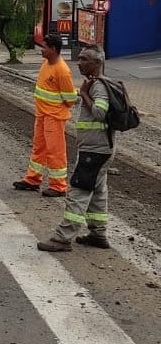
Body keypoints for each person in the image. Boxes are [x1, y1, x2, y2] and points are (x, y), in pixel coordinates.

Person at [37, 44, 113, 253]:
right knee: (98, 192)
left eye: (84, 59)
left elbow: (99, 112)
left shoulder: (98, 86)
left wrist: (84, 94)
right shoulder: (96, 83)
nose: (79, 62)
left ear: (97, 63)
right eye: (79, 58)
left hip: (95, 151)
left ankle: (62, 238)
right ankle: (98, 234)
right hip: (97, 149)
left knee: (79, 191)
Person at [12, 33, 78, 198]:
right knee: (39, 148)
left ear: (53, 49)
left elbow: (70, 99)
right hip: (42, 115)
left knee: (55, 151)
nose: (41, 50)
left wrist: (54, 108)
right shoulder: (46, 64)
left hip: (54, 117)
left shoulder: (62, 71)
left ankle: (58, 186)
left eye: (44, 47)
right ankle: (33, 179)